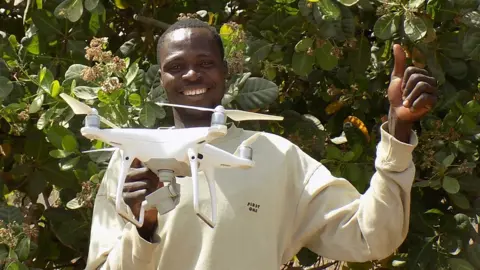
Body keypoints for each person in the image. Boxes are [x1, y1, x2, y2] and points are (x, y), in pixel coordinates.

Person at [85, 18, 438, 269]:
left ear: (225, 70)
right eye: (176, 67)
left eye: (205, 63)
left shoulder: (276, 156)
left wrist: (399, 129)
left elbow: (370, 237)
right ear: (161, 78)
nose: (191, 74)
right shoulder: (132, 161)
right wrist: (143, 228)